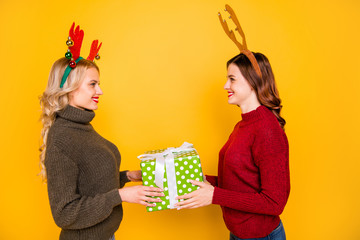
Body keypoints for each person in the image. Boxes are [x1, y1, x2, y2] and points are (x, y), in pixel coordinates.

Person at [39, 42, 164, 239]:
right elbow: (64, 214)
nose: (100, 91)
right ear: (71, 88)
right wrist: (121, 195)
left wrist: (128, 176)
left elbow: (91, 181)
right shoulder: (62, 137)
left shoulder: (81, 125)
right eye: (92, 84)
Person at [175, 52, 290, 240]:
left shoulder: (267, 129)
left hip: (260, 236)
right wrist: (200, 180)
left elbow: (274, 202)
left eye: (232, 79)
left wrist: (214, 195)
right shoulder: (243, 125)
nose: (225, 85)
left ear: (253, 81)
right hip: (238, 234)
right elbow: (240, 181)